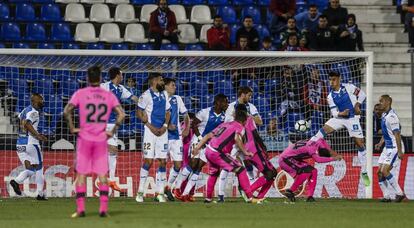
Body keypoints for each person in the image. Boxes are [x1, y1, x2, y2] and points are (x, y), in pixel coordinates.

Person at [64, 66, 126, 217]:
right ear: (100, 78)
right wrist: (112, 130)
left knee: (81, 175)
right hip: (100, 139)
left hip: (84, 138)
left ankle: (80, 210)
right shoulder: (108, 95)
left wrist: (73, 128)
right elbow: (121, 114)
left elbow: (67, 110)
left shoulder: (81, 93)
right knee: (103, 175)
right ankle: (103, 209)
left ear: (87, 78)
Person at [311, 71, 370, 187]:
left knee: (360, 144)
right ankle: (310, 144)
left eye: (333, 79)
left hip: (352, 118)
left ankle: (364, 172)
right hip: (340, 118)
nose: (331, 82)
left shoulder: (349, 87)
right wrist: (341, 113)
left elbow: (362, 94)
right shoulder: (330, 96)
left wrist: (357, 105)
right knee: (324, 129)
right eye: (330, 80)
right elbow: (334, 113)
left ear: (339, 79)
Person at [192, 105, 260, 204]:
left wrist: (197, 148)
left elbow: (208, 135)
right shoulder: (240, 127)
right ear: (244, 121)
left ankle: (208, 198)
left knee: (214, 173)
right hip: (217, 153)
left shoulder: (225, 124)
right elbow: (237, 138)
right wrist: (245, 152)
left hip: (208, 150)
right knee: (240, 169)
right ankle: (250, 197)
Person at [174, 94, 228, 202]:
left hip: (209, 144)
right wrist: (200, 138)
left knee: (198, 168)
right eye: (225, 102)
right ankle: (176, 188)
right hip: (198, 140)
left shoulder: (224, 117)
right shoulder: (205, 112)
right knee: (192, 163)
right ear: (218, 102)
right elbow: (194, 125)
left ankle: (185, 194)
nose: (227, 104)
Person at [218, 86, 263, 202]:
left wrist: (248, 115)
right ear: (242, 94)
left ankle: (251, 194)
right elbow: (227, 123)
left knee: (249, 167)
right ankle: (220, 195)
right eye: (249, 95)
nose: (250, 97)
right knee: (227, 166)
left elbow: (260, 122)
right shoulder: (231, 107)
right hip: (234, 142)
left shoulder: (251, 107)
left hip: (248, 142)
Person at [100, 67, 139, 192]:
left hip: (113, 124)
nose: (123, 77)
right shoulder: (104, 86)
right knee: (110, 150)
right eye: (121, 75)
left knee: (113, 152)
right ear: (117, 75)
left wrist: (145, 103)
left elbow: (133, 98)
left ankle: (110, 180)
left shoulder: (121, 89)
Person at [136, 73, 171, 203]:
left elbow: (168, 111)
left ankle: (160, 193)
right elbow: (138, 112)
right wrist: (149, 126)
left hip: (163, 132)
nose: (163, 82)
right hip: (150, 133)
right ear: (155, 81)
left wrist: (165, 126)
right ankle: (140, 192)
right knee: (148, 161)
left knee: (163, 161)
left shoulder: (164, 94)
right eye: (161, 80)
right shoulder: (145, 96)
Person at [10, 93, 48, 200]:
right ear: (35, 101)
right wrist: (37, 135)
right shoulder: (34, 112)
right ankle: (40, 194)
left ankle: (16, 181)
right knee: (40, 168)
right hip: (31, 143)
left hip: (20, 144)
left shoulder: (24, 110)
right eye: (41, 101)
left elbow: (20, 120)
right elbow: (27, 123)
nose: (42, 103)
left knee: (31, 169)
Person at [240, 115, 278, 203]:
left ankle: (260, 196)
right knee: (269, 173)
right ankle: (247, 192)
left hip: (248, 150)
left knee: (273, 173)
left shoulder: (238, 122)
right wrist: (263, 146)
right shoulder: (249, 119)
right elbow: (255, 134)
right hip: (254, 150)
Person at [375, 95, 406, 202]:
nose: (380, 103)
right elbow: (386, 132)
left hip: (394, 147)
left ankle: (399, 193)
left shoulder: (392, 117)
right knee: (379, 172)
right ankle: (386, 196)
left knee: (384, 171)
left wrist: (400, 151)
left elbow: (397, 134)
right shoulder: (384, 115)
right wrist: (380, 143)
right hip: (386, 148)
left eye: (381, 101)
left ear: (388, 102)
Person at [163, 78, 190, 201]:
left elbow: (186, 115)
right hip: (162, 136)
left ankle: (168, 188)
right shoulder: (160, 98)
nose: (175, 87)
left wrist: (187, 128)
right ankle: (160, 191)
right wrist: (167, 126)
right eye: (173, 85)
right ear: (166, 86)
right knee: (162, 163)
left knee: (178, 164)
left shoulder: (177, 99)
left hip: (176, 136)